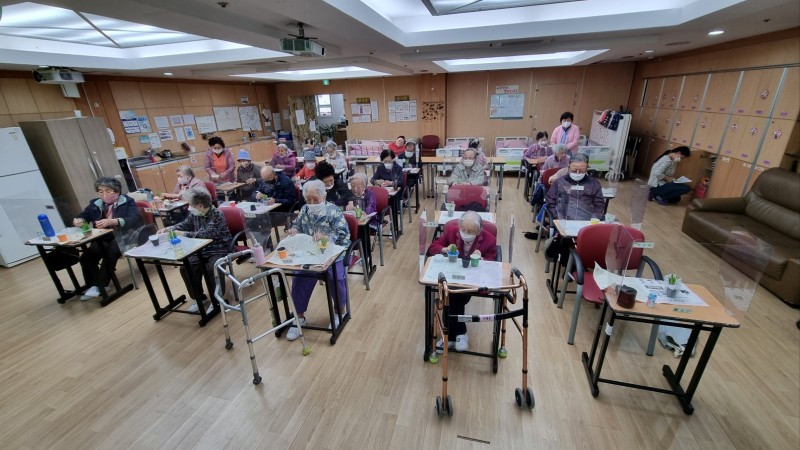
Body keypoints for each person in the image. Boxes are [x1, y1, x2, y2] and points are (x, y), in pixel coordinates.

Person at [284, 180, 351, 341]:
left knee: (336, 278)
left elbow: (344, 234)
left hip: (333, 253)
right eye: (308, 200)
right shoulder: (305, 210)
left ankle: (339, 312)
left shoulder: (333, 211)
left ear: (324, 196)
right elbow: (298, 225)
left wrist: (326, 237)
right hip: (311, 253)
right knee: (299, 276)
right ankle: (299, 316)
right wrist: (294, 230)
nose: (312, 203)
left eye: (315, 199)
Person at [427, 211, 497, 352]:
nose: (465, 233)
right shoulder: (451, 231)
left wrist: (482, 260)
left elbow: (493, 262)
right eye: (463, 229)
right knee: (452, 295)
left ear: (479, 231)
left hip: (472, 282)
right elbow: (433, 248)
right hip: (452, 277)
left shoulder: (489, 240)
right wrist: (444, 249)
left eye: (470, 231)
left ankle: (450, 337)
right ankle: (459, 335)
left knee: (451, 297)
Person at [158, 188, 231, 313]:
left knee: (212, 268)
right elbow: (184, 224)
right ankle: (199, 298)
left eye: (191, 205)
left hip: (218, 248)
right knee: (186, 268)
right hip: (200, 249)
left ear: (200, 206)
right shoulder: (195, 214)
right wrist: (169, 229)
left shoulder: (217, 215)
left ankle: (217, 300)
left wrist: (183, 234)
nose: (189, 208)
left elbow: (207, 234)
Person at [73, 177, 142, 300]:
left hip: (124, 235)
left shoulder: (127, 201)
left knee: (111, 253)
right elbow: (84, 216)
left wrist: (113, 221)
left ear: (117, 191)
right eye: (100, 191)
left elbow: (134, 219)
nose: (104, 194)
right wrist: (79, 220)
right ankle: (92, 284)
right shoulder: (95, 204)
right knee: (87, 256)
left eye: (108, 191)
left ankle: (101, 285)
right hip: (103, 236)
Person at [545, 153, 604, 221]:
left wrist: (594, 218)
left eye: (581, 171)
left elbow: (599, 204)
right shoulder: (559, 182)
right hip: (564, 220)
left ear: (587, 168)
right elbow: (550, 201)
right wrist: (557, 216)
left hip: (587, 221)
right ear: (568, 167)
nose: (577, 173)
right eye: (574, 171)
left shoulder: (594, 184)